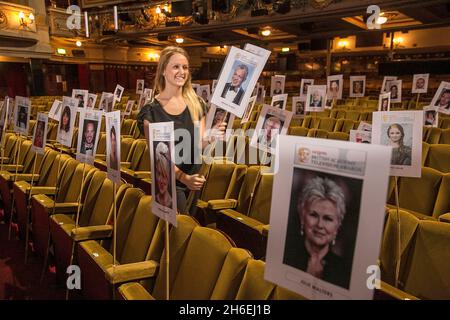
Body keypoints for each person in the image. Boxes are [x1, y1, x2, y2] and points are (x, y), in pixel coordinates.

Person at [137, 46, 225, 212]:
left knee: (191, 229)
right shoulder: (151, 112)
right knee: (177, 232)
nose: (182, 71)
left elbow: (199, 145)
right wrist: (184, 178)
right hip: (169, 182)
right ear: (163, 70)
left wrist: (211, 137)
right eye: (175, 66)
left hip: (195, 179)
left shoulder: (196, 103)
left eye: (185, 67)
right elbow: (159, 160)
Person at [283, 176, 350, 288]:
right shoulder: (285, 254)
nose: (319, 225)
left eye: (328, 219)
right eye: (313, 215)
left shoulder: (344, 271)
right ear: (302, 216)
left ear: (338, 224)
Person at [154, 141, 172, 208]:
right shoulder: (151, 200)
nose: (160, 180)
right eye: (158, 173)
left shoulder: (175, 205)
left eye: (164, 175)